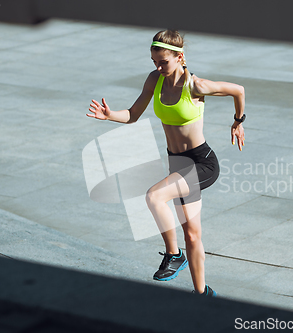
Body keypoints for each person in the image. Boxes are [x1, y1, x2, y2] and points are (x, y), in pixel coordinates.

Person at [87, 29, 245, 296]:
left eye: (164, 62)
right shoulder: (154, 80)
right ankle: (202, 294)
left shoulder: (196, 85)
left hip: (202, 163)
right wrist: (110, 115)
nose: (158, 67)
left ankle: (174, 255)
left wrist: (238, 122)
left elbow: (238, 90)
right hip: (179, 166)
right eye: (154, 62)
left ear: (179, 57)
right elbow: (133, 114)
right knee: (193, 235)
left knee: (154, 196)